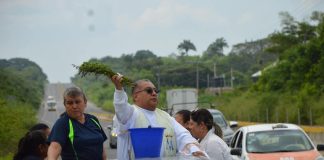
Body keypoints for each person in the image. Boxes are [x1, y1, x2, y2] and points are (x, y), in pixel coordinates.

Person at [110, 75, 207, 159]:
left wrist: (193, 148)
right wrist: (119, 90)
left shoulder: (165, 116)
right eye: (149, 90)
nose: (154, 93)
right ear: (136, 97)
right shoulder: (131, 114)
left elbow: (183, 135)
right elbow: (121, 108)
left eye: (156, 90)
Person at [47, 86, 107, 160]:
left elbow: (101, 146)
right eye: (70, 103)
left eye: (77, 102)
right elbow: (54, 147)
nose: (74, 106)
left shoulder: (93, 120)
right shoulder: (62, 123)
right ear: (65, 105)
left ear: (85, 103)